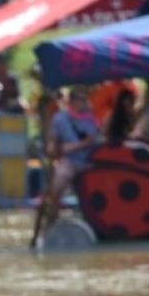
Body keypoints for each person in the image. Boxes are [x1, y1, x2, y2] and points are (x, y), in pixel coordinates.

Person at [46, 85, 100, 214]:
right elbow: (53, 143)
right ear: (73, 101)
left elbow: (96, 140)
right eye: (81, 99)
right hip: (69, 161)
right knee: (59, 181)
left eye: (86, 99)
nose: (85, 103)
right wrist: (54, 149)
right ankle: (52, 217)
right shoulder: (60, 119)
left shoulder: (94, 119)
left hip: (89, 161)